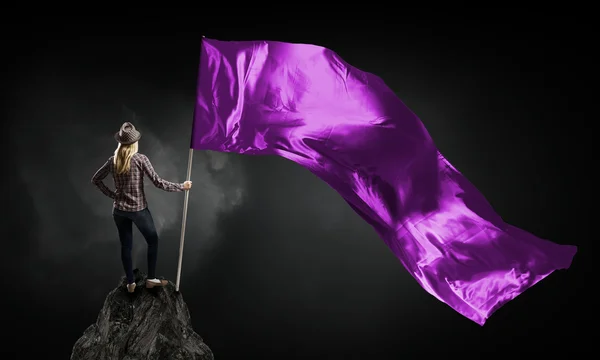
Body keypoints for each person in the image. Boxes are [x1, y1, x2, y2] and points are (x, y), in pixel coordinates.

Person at [91, 122, 192, 293]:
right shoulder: (140, 159)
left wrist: (113, 195)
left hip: (119, 211)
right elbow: (158, 183)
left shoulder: (113, 160)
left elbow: (96, 179)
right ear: (134, 143)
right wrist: (182, 186)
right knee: (153, 241)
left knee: (126, 246)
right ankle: (151, 279)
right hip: (138, 210)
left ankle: (130, 284)